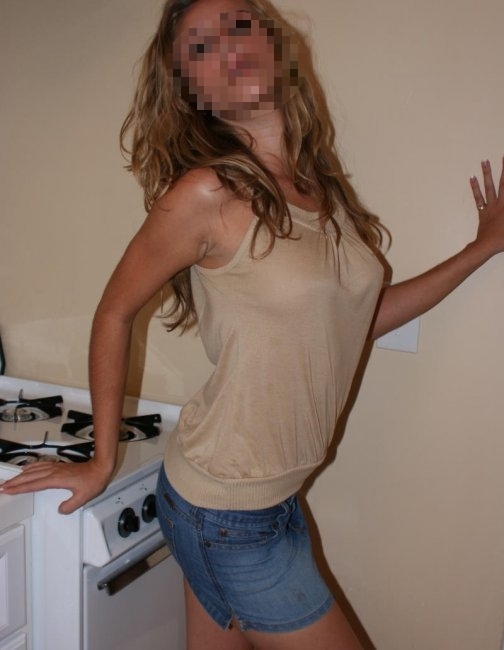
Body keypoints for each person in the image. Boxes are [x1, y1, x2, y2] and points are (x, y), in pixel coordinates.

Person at [2, 0, 503, 648]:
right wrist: (101, 461)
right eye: (200, 47)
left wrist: (482, 248)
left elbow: (361, 318)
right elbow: (115, 311)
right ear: (193, 90)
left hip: (267, 498)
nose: (226, 48)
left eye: (237, 26)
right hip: (225, 510)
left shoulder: (320, 189)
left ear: (274, 41)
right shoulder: (207, 194)